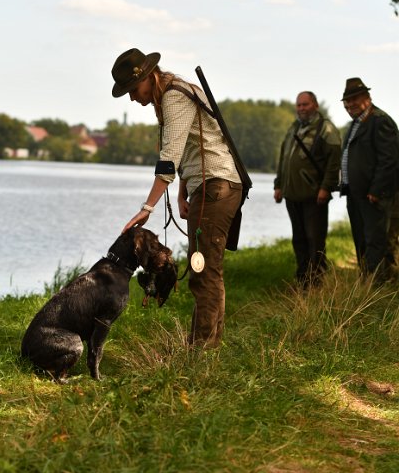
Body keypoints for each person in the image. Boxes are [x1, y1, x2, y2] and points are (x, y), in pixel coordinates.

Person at [111, 47, 242, 348]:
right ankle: (207, 343)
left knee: (203, 272)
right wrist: (184, 191)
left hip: (217, 187)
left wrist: (147, 207)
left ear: (147, 77)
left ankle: (201, 348)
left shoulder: (174, 97)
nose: (132, 97)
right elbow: (189, 150)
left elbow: (169, 158)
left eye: (132, 89)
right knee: (209, 270)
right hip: (208, 186)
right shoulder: (171, 95)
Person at [274, 91, 341, 286]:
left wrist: (326, 188)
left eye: (305, 104)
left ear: (315, 106)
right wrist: (278, 185)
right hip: (291, 195)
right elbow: (283, 158)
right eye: (299, 105)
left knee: (315, 240)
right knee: (299, 239)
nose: (301, 108)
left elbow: (333, 162)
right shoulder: (294, 127)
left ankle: (317, 283)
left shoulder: (326, 129)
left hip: (314, 196)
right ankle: (303, 280)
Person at [339, 77, 399, 281]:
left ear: (367, 97)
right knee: (362, 241)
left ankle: (377, 288)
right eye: (347, 102)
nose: (350, 105)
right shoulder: (356, 123)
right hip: (356, 194)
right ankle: (366, 281)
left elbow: (389, 160)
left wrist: (376, 191)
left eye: (354, 99)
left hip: (373, 196)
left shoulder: (380, 121)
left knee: (376, 242)